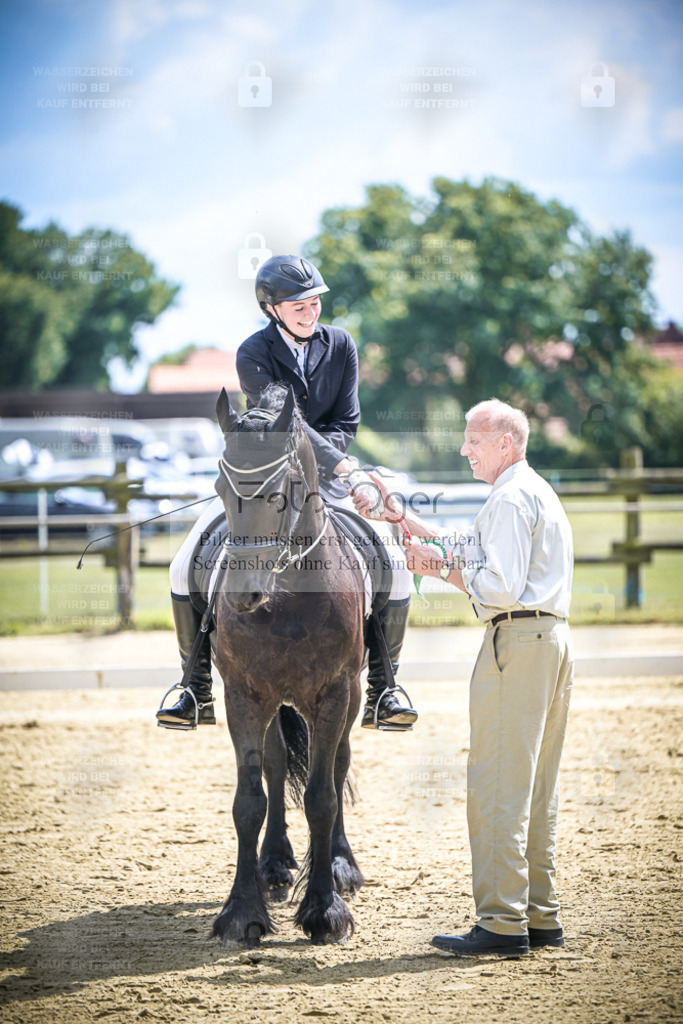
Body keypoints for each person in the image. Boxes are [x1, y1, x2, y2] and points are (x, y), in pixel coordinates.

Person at [156, 255, 416, 732]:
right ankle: (194, 686)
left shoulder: (340, 344)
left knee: (395, 567)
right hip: (261, 477)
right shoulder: (252, 352)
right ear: (271, 307)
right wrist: (343, 465)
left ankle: (384, 684)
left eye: (314, 301)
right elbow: (287, 420)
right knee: (183, 563)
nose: (310, 310)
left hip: (324, 479)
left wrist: (333, 469)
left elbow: (346, 422)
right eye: (298, 304)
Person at [353, 398, 574, 956]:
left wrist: (438, 570)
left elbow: (495, 586)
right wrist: (401, 518)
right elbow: (476, 549)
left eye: (473, 439)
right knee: (535, 787)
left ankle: (501, 923)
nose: (463, 449)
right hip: (551, 643)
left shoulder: (508, 499)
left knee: (497, 786)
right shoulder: (530, 491)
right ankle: (538, 916)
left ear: (506, 441)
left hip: (515, 642)